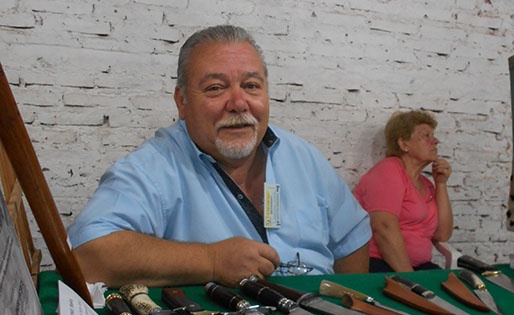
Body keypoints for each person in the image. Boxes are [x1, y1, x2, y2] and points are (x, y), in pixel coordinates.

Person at [68, 25, 371, 287]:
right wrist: (210, 261)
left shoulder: (302, 157)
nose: (238, 103)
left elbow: (352, 239)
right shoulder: (155, 168)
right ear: (182, 102)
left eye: (251, 86)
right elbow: (86, 256)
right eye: (215, 88)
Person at [353, 109, 453, 272]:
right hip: (380, 264)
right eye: (426, 135)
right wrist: (411, 279)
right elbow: (384, 228)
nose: (435, 141)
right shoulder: (389, 170)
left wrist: (441, 184)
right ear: (403, 144)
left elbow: (442, 235)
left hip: (418, 267)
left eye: (433, 135)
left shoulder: (426, 184)